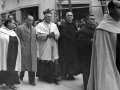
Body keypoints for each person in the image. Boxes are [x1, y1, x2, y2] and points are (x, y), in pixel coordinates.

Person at [87, 0, 120, 90]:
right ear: (111, 10)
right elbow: (102, 56)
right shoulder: (102, 28)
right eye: (119, 8)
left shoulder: (119, 24)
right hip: (110, 65)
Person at [36, 8, 60, 84]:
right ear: (44, 17)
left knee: (53, 60)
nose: (49, 18)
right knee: (45, 60)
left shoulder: (54, 25)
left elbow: (58, 34)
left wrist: (55, 35)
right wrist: (47, 35)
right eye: (48, 17)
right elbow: (37, 35)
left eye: (50, 17)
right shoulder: (40, 25)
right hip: (44, 46)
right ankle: (45, 78)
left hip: (53, 45)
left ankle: (54, 77)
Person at [16, 15, 37, 86]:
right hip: (24, 49)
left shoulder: (34, 28)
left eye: (32, 20)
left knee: (32, 66)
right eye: (29, 20)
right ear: (25, 20)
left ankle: (32, 81)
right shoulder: (20, 28)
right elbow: (17, 39)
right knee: (24, 65)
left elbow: (34, 39)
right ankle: (21, 74)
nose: (31, 22)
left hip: (32, 49)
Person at [0, 19, 21, 90]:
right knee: (6, 67)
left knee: (13, 67)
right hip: (6, 53)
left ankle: (11, 83)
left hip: (13, 53)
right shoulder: (1, 32)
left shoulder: (13, 32)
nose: (15, 25)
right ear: (8, 23)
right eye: (13, 23)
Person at [77, 15, 96, 90]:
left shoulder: (95, 28)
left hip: (93, 52)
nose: (94, 20)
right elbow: (80, 40)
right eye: (92, 19)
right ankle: (86, 85)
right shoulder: (84, 29)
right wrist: (91, 40)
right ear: (87, 21)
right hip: (86, 53)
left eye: (94, 19)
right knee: (86, 69)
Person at [58, 12, 79, 80]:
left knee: (73, 60)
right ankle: (65, 73)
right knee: (66, 60)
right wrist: (72, 39)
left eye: (71, 15)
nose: (70, 17)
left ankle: (71, 74)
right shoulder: (63, 25)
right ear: (66, 17)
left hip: (73, 46)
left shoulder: (74, 24)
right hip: (66, 46)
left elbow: (76, 33)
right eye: (69, 16)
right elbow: (63, 35)